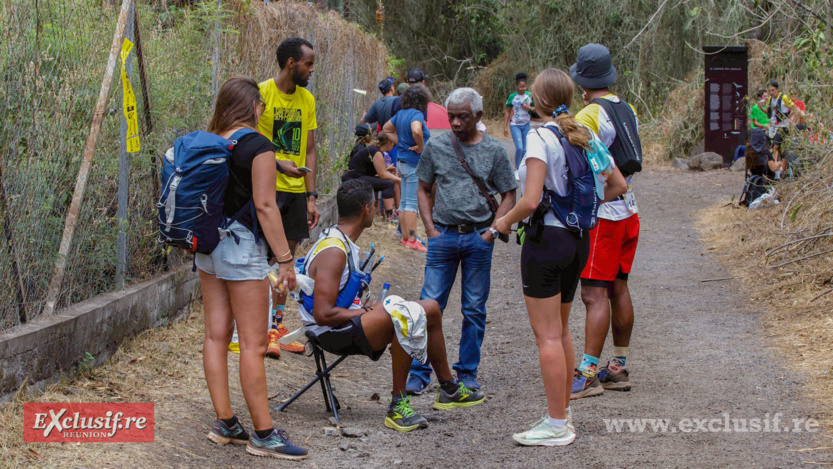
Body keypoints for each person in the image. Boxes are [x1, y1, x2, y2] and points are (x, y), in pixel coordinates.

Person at [494, 68, 627, 446]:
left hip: (546, 240)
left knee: (547, 336)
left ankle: (556, 424)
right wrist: (581, 207)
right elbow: (617, 184)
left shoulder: (540, 138)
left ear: (536, 100)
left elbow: (531, 199)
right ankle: (562, 414)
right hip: (579, 238)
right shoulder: (583, 136)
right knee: (563, 330)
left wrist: (503, 222)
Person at [299, 179, 485, 432]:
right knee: (402, 315)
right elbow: (322, 315)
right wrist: (364, 311)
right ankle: (397, 406)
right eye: (373, 208)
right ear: (367, 209)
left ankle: (449, 388)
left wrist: (360, 306)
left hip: (341, 323)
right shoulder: (334, 251)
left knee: (430, 307)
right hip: (329, 334)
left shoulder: (340, 240)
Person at [197, 76, 308, 460]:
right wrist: (285, 260)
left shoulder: (211, 140)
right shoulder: (258, 145)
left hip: (207, 247)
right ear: (256, 108)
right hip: (242, 248)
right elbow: (265, 206)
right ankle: (263, 433)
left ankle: (225, 422)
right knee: (253, 343)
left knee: (215, 336)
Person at [405, 87, 518, 394]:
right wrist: (429, 228)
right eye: (451, 116)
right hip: (442, 236)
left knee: (474, 308)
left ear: (478, 116)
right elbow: (423, 187)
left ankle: (467, 372)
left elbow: (510, 194)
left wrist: (492, 231)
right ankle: (419, 371)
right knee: (429, 306)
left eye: (462, 116)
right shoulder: (437, 146)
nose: (454, 122)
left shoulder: (494, 151)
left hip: (478, 239)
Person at [569, 43, 642, 399]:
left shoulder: (588, 115)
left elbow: (585, 166)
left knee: (593, 293)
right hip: (630, 210)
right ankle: (619, 366)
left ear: (582, 82)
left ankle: (586, 372)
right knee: (619, 287)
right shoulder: (627, 108)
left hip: (605, 215)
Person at [258, 37, 321, 357]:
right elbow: (249, 141)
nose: (312, 69)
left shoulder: (307, 99)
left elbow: (309, 149)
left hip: (297, 193)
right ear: (291, 63)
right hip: (267, 190)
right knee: (266, 261)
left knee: (287, 261)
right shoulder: (261, 93)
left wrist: (311, 196)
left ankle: (276, 327)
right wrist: (276, 164)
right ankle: (256, 329)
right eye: (308, 63)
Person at [383, 84, 432, 252]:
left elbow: (386, 129)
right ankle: (412, 239)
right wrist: (420, 146)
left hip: (401, 162)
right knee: (411, 203)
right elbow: (417, 130)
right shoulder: (416, 115)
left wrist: (400, 143)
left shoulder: (400, 114)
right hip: (413, 163)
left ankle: (405, 238)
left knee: (403, 203)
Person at [342, 123, 401, 219]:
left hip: (356, 175)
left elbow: (376, 168)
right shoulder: (376, 152)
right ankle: (390, 215)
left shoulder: (375, 150)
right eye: (393, 144)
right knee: (388, 183)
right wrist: (399, 180)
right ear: (389, 143)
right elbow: (382, 174)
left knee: (389, 181)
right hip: (354, 177)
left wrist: (387, 168)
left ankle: (392, 212)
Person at [766, 80, 804, 161]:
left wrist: (804, 117)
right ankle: (780, 168)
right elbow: (769, 112)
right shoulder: (770, 99)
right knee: (780, 149)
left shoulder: (784, 98)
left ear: (778, 89)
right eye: (769, 91)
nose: (771, 92)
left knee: (774, 147)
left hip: (782, 127)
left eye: (773, 90)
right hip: (773, 127)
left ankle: (772, 167)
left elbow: (795, 108)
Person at [504, 72, 535, 168]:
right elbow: (507, 112)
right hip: (515, 125)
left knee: (525, 149)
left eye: (524, 87)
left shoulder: (529, 96)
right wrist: (505, 127)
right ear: (517, 86)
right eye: (521, 87)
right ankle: (517, 168)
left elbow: (535, 109)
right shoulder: (512, 97)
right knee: (519, 148)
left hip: (526, 124)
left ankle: (523, 167)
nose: (523, 89)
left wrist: (529, 107)